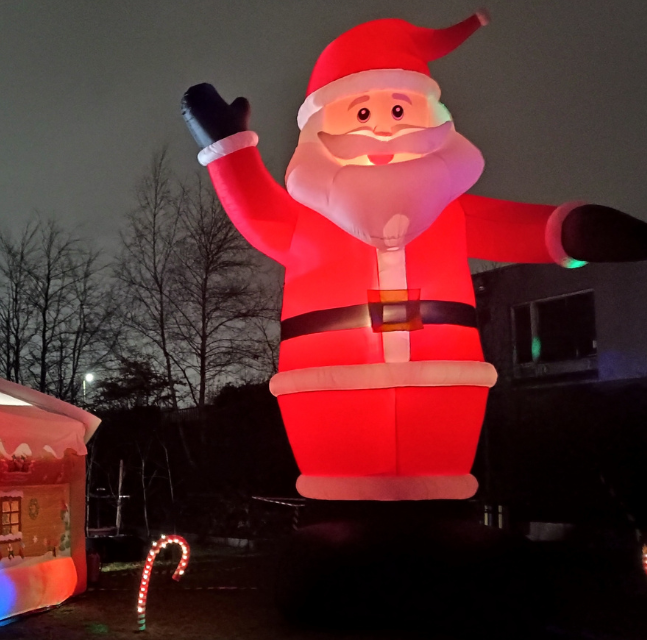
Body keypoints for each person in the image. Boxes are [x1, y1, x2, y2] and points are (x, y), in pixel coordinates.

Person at [181, 11, 647, 500]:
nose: (382, 129)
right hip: (329, 400)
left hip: (444, 397)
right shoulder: (310, 219)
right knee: (341, 509)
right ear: (322, 125)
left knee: (439, 501)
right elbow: (259, 215)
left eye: (399, 111)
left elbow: (529, 229)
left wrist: (577, 232)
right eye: (361, 113)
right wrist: (228, 149)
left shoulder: (451, 211)